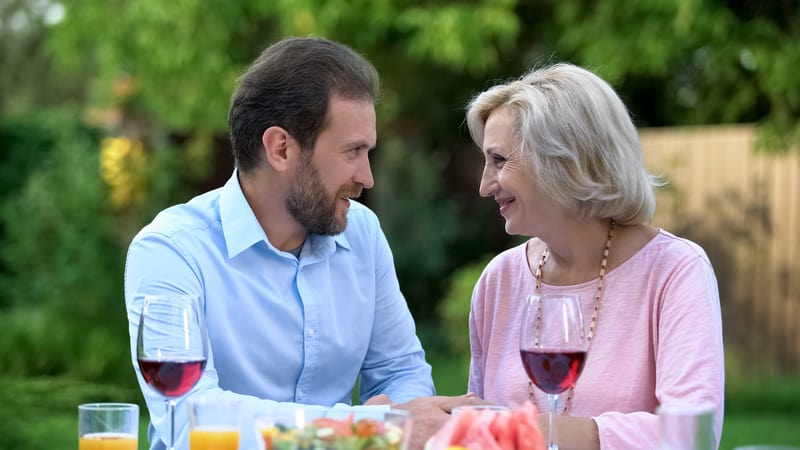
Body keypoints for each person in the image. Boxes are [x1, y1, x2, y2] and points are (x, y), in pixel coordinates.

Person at [125, 36, 469, 450]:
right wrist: (367, 430)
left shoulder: (362, 234)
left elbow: (400, 371)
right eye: (353, 151)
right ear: (281, 148)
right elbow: (192, 418)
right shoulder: (171, 251)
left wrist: (395, 419)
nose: (367, 177)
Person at [463, 63, 725, 449]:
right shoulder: (499, 279)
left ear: (565, 161)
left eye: (499, 160)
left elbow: (692, 435)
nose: (485, 185)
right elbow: (481, 423)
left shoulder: (676, 271)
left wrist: (539, 433)